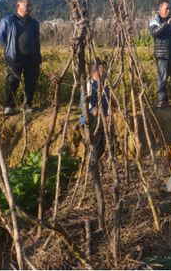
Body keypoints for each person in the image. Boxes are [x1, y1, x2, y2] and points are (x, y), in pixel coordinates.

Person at [0, 0, 42, 115]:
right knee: (12, 81)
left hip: (32, 57)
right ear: (18, 6)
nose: (30, 8)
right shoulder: (8, 21)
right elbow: (1, 37)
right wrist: (9, 48)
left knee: (30, 82)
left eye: (31, 6)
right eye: (27, 6)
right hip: (15, 58)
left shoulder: (34, 22)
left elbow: (37, 39)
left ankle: (27, 105)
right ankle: (9, 106)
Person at [79, 59, 110, 227]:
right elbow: (89, 106)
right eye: (100, 70)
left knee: (104, 145)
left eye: (104, 70)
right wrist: (101, 116)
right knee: (96, 145)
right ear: (93, 72)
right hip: (92, 121)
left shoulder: (105, 86)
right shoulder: (89, 86)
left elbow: (108, 104)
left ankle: (98, 169)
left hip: (103, 120)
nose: (103, 72)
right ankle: (93, 172)